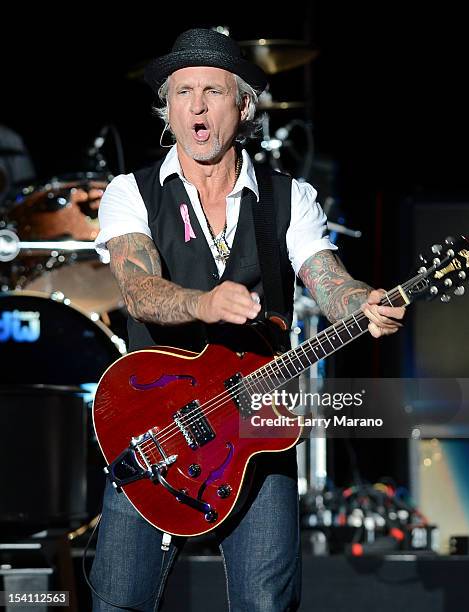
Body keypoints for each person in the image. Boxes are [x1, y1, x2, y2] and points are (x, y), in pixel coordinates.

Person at [89, 28, 405, 611]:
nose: (197, 106)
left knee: (267, 604)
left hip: (258, 427)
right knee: (119, 603)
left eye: (212, 90)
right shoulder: (130, 192)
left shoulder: (290, 198)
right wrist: (203, 303)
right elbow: (137, 291)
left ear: (243, 106)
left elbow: (327, 278)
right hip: (156, 428)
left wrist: (364, 303)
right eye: (182, 92)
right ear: (167, 108)